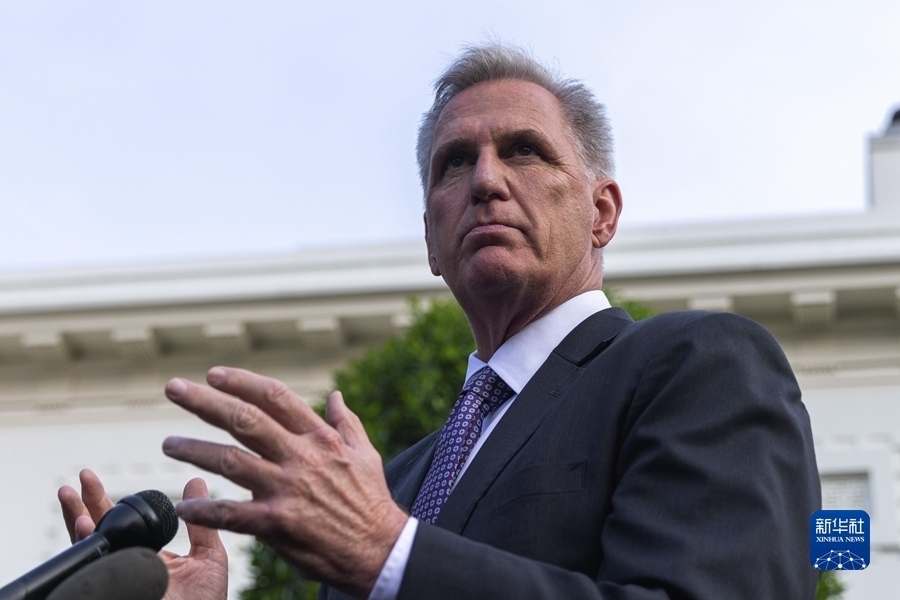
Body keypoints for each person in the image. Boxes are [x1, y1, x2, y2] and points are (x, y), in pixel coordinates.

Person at [59, 43, 820, 599]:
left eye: (524, 151)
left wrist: (388, 552)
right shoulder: (390, 483)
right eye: (453, 163)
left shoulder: (697, 365)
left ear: (602, 212)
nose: (485, 180)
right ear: (431, 238)